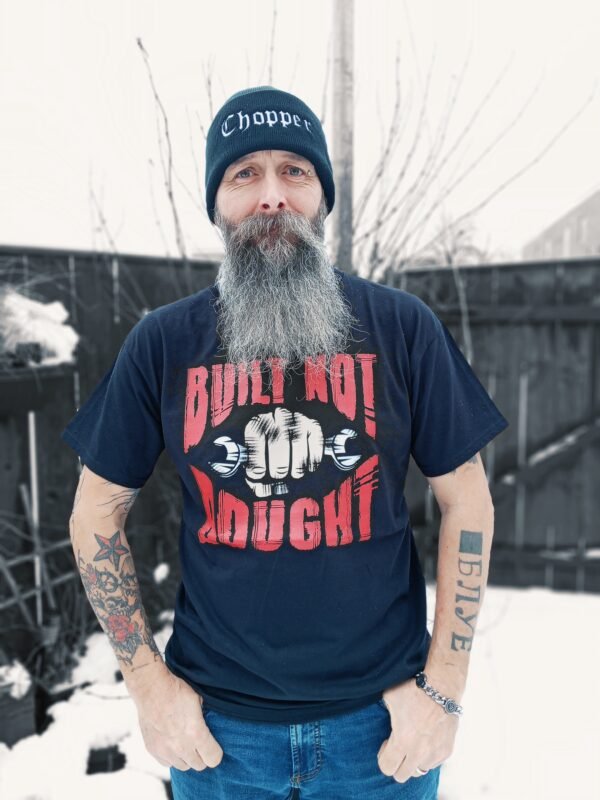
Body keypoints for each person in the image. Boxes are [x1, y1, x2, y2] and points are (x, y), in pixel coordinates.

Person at [61, 85, 509, 799]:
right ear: (217, 204)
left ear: (322, 198)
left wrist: (445, 688)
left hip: (383, 735)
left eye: (294, 171)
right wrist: (150, 690)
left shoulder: (402, 327)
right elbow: (94, 512)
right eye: (245, 174)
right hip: (219, 741)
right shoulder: (164, 343)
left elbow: (469, 501)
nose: (272, 196)